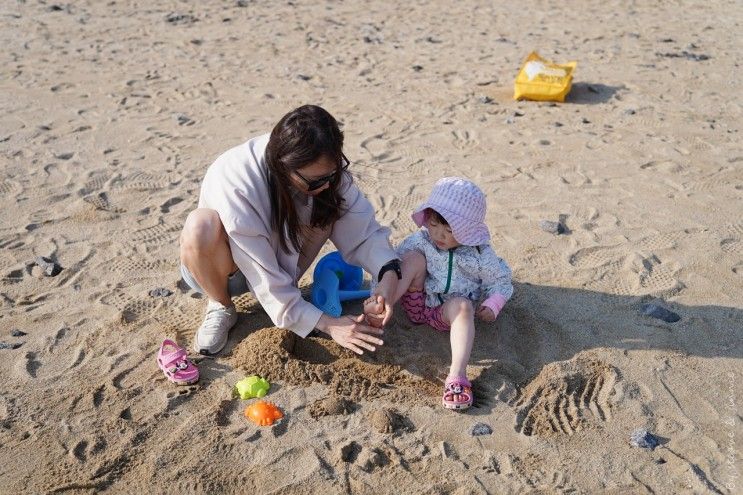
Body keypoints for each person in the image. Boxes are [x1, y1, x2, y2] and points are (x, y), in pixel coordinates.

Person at [179, 105, 402, 356]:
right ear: (283, 167)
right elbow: (262, 276)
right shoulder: (236, 184)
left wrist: (387, 277)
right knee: (201, 226)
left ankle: (289, 299)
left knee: (330, 204)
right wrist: (329, 325)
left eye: (334, 173)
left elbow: (364, 233)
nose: (328, 184)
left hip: (281, 265)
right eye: (317, 180)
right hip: (224, 270)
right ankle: (220, 306)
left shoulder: (321, 169)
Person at [364, 177, 513, 410]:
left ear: (468, 231)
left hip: (446, 315)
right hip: (417, 300)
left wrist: (494, 303)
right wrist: (379, 291)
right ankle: (380, 309)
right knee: (411, 258)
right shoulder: (422, 240)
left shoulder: (480, 254)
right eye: (433, 224)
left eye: (450, 229)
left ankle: (457, 377)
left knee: (463, 305)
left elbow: (500, 279)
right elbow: (393, 266)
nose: (439, 235)